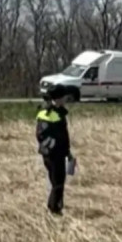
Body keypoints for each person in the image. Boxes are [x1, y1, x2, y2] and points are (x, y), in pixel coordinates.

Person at [36, 84, 75, 215]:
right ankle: (54, 210)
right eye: (64, 97)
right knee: (58, 182)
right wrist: (55, 148)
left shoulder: (58, 112)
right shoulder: (48, 114)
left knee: (56, 181)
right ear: (58, 98)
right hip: (53, 154)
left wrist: (67, 152)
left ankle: (55, 205)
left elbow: (63, 136)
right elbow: (42, 135)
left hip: (57, 153)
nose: (66, 99)